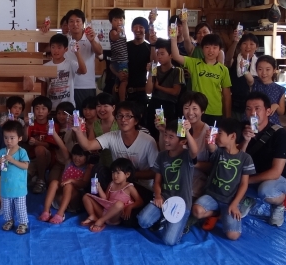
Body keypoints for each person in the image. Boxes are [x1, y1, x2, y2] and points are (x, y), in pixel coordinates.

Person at [73, 101, 159, 218]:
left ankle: (110, 212)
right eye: (120, 116)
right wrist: (78, 131)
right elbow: (87, 146)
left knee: (131, 220)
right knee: (98, 169)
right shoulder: (112, 136)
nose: (123, 119)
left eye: (128, 116)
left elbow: (155, 172)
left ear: (136, 120)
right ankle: (101, 208)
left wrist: (130, 176)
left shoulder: (148, 141)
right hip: (116, 184)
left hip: (140, 186)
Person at [192, 118, 255, 240]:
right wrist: (210, 138)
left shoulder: (246, 158)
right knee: (197, 211)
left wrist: (234, 204)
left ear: (232, 136)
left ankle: (228, 210)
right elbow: (211, 147)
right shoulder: (219, 152)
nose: (216, 136)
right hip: (212, 196)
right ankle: (217, 213)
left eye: (219, 133)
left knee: (233, 235)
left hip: (230, 200)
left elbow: (244, 184)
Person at [137, 118, 198, 246]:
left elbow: (194, 151)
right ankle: (164, 218)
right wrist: (158, 196)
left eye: (171, 137)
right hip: (164, 199)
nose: (166, 139)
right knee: (143, 221)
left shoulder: (187, 156)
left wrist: (187, 131)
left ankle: (182, 223)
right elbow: (157, 181)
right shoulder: (162, 155)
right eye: (166, 135)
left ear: (183, 141)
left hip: (182, 204)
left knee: (169, 241)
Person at [238, 92, 286, 227]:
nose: (252, 113)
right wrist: (245, 141)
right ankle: (248, 198)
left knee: (266, 190)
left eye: (257, 108)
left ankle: (281, 203)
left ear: (268, 111)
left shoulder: (280, 134)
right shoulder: (241, 129)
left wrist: (245, 181)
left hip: (274, 180)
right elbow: (236, 160)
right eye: (248, 109)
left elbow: (276, 172)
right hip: (249, 175)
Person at [170, 32, 231, 121]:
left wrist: (228, 117)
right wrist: (173, 39)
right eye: (207, 47)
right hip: (196, 111)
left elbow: (227, 95)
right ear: (202, 49)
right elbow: (176, 56)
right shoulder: (194, 63)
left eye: (214, 47)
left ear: (219, 50)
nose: (211, 50)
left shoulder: (223, 69)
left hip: (215, 111)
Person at [81, 158, 142, 233]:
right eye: (113, 172)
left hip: (114, 217)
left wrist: (130, 207)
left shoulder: (129, 187)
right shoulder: (111, 184)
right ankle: (93, 216)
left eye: (118, 173)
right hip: (104, 212)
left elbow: (140, 201)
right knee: (86, 196)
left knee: (119, 204)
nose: (115, 175)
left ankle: (101, 221)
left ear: (127, 174)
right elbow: (105, 198)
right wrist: (99, 188)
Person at [39, 143, 92, 224]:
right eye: (75, 155)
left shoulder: (87, 168)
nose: (76, 158)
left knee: (69, 186)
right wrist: (53, 134)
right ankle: (46, 211)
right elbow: (62, 146)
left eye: (80, 156)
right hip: (60, 199)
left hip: (74, 201)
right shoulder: (69, 162)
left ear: (86, 157)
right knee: (54, 182)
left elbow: (84, 183)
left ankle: (60, 214)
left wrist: (72, 180)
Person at [0, 120, 31, 234]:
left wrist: (13, 160)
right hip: (5, 188)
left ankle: (23, 223)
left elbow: (25, 166)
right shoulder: (2, 152)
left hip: (19, 188)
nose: (8, 141)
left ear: (20, 138)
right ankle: (9, 221)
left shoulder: (21, 152)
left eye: (12, 138)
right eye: (5, 138)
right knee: (7, 207)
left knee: (20, 208)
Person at [66, 9, 103, 109]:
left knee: (87, 115)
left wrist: (92, 41)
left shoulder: (90, 37)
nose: (75, 24)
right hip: (68, 86)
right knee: (70, 116)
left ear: (83, 23)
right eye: (71, 21)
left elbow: (99, 52)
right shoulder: (65, 39)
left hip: (86, 85)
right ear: (68, 24)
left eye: (78, 21)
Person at [43, 33, 86, 110]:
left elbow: (83, 71)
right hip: (52, 107)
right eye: (53, 47)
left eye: (59, 47)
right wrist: (45, 106)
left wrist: (77, 53)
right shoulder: (45, 67)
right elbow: (43, 89)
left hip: (69, 107)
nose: (56, 50)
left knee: (73, 118)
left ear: (66, 49)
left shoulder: (70, 63)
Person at [25, 95, 57, 194]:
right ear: (33, 110)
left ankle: (41, 179)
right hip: (32, 159)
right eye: (37, 108)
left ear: (49, 111)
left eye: (43, 109)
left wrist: (36, 142)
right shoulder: (31, 123)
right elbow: (25, 139)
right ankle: (34, 176)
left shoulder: (52, 124)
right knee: (22, 179)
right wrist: (26, 126)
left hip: (47, 157)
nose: (40, 111)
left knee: (39, 148)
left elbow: (48, 145)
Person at [148, 39, 184, 124]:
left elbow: (175, 91)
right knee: (152, 128)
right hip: (154, 103)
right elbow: (148, 91)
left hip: (169, 105)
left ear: (171, 55)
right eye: (157, 54)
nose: (159, 57)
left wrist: (158, 87)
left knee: (166, 129)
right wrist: (150, 73)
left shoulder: (177, 70)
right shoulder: (155, 69)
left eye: (162, 54)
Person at [227, 31, 259, 121]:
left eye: (251, 44)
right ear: (240, 46)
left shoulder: (259, 63)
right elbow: (228, 59)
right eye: (244, 43)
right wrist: (236, 41)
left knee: (252, 128)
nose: (248, 47)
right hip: (236, 105)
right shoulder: (234, 61)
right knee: (236, 127)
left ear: (257, 47)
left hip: (254, 107)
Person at [249, 55, 286, 126]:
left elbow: (281, 112)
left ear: (274, 70)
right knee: (252, 132)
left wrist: (276, 106)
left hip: (272, 123)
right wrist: (244, 68)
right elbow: (247, 75)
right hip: (254, 122)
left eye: (268, 69)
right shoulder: (254, 83)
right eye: (260, 69)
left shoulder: (280, 89)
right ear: (256, 70)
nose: (264, 73)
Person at [125, 16, 152, 112]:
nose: (138, 29)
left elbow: (155, 63)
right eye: (135, 27)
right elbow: (113, 64)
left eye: (141, 27)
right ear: (132, 29)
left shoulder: (149, 47)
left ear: (145, 30)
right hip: (125, 91)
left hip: (141, 92)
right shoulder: (126, 46)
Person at [107, 8, 129, 102]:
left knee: (118, 81)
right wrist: (119, 33)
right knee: (124, 81)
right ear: (111, 21)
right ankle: (122, 101)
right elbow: (114, 37)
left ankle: (117, 98)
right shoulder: (113, 31)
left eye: (120, 20)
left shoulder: (122, 31)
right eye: (115, 20)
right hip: (120, 61)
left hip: (121, 60)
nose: (118, 22)